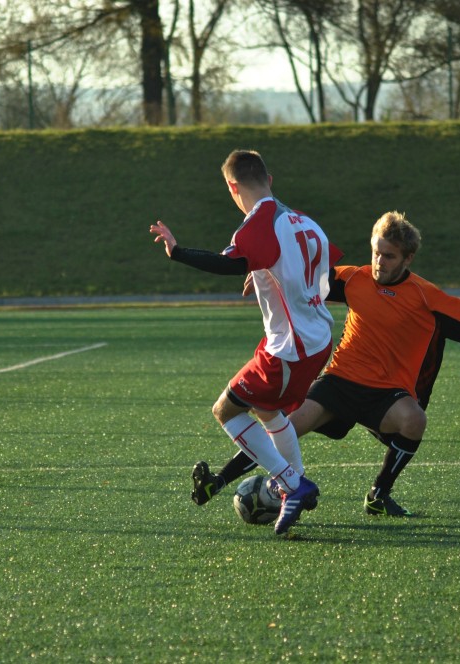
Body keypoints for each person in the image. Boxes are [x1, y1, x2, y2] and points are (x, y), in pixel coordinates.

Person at [192, 211, 460, 517]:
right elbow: (301, 278)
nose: (379, 262)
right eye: (376, 252)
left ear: (408, 259)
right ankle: (219, 481)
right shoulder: (353, 278)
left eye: (389, 256)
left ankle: (379, 496)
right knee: (285, 427)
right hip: (339, 382)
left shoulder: (426, 296)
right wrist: (267, 277)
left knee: (414, 421)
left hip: (387, 393)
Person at [149, 149, 337, 536]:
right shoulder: (305, 221)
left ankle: (292, 484)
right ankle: (293, 485)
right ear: (269, 179)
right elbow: (321, 273)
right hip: (318, 338)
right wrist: (268, 271)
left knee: (226, 410)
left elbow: (229, 264)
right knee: (267, 411)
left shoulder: (256, 226)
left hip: (289, 347)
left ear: (232, 187)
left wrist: (177, 252)